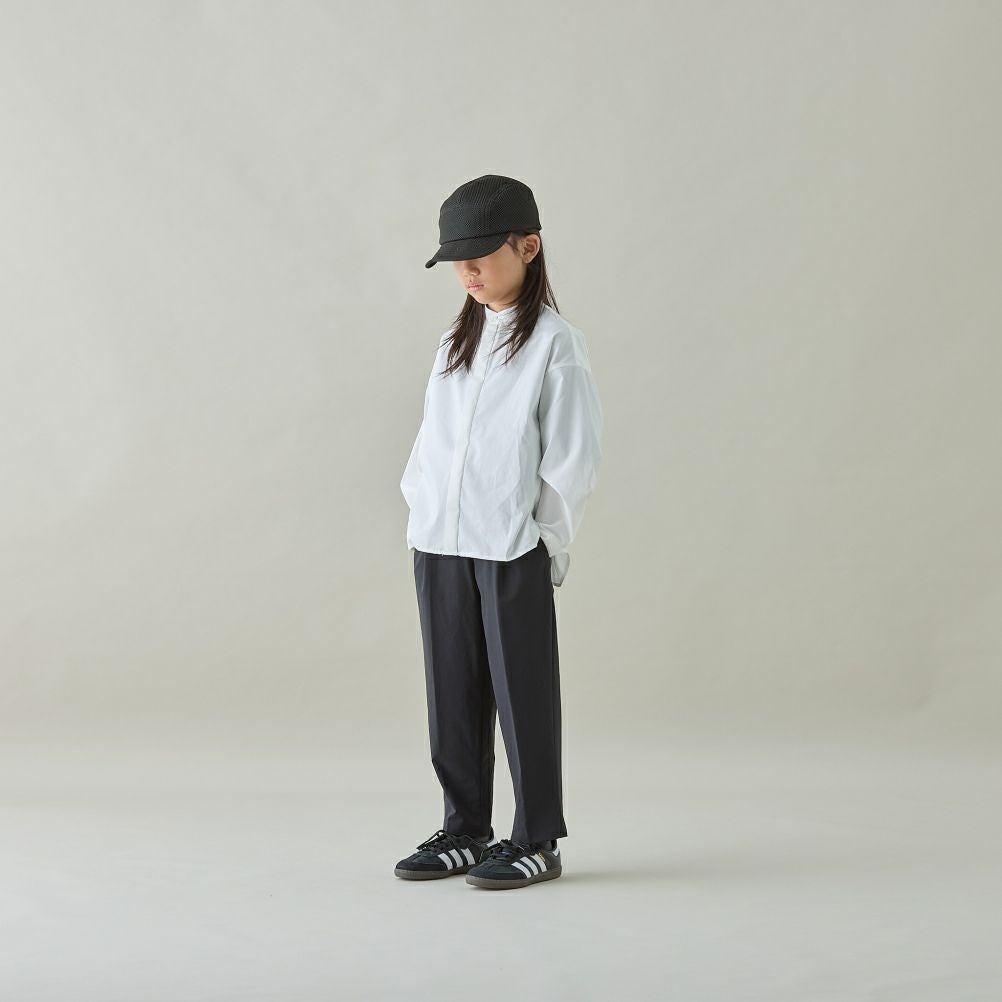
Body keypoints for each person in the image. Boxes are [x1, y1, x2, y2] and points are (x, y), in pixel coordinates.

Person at [393, 174, 603, 890]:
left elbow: (572, 459)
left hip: (511, 547)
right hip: (440, 543)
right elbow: (433, 438)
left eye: (482, 255)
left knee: (523, 695)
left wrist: (546, 546)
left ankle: (536, 837)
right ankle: (464, 829)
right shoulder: (457, 341)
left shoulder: (555, 345)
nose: (469, 271)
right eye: (458, 260)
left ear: (528, 247)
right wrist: (421, 510)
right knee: (450, 691)